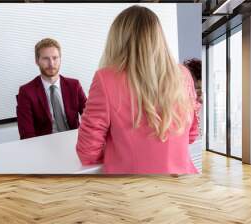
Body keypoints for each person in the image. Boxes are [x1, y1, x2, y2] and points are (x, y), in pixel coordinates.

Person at [76, 5, 200, 174]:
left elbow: (87, 152)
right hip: (184, 184)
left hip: (131, 190)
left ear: (118, 39)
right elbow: (191, 136)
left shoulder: (105, 79)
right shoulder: (183, 74)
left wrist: (119, 149)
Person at [16, 38, 87, 139]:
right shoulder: (26, 92)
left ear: (60, 58)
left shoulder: (74, 85)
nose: (51, 64)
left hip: (73, 140)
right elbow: (26, 134)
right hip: (44, 144)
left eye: (55, 58)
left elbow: (90, 117)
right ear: (37, 61)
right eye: (45, 58)